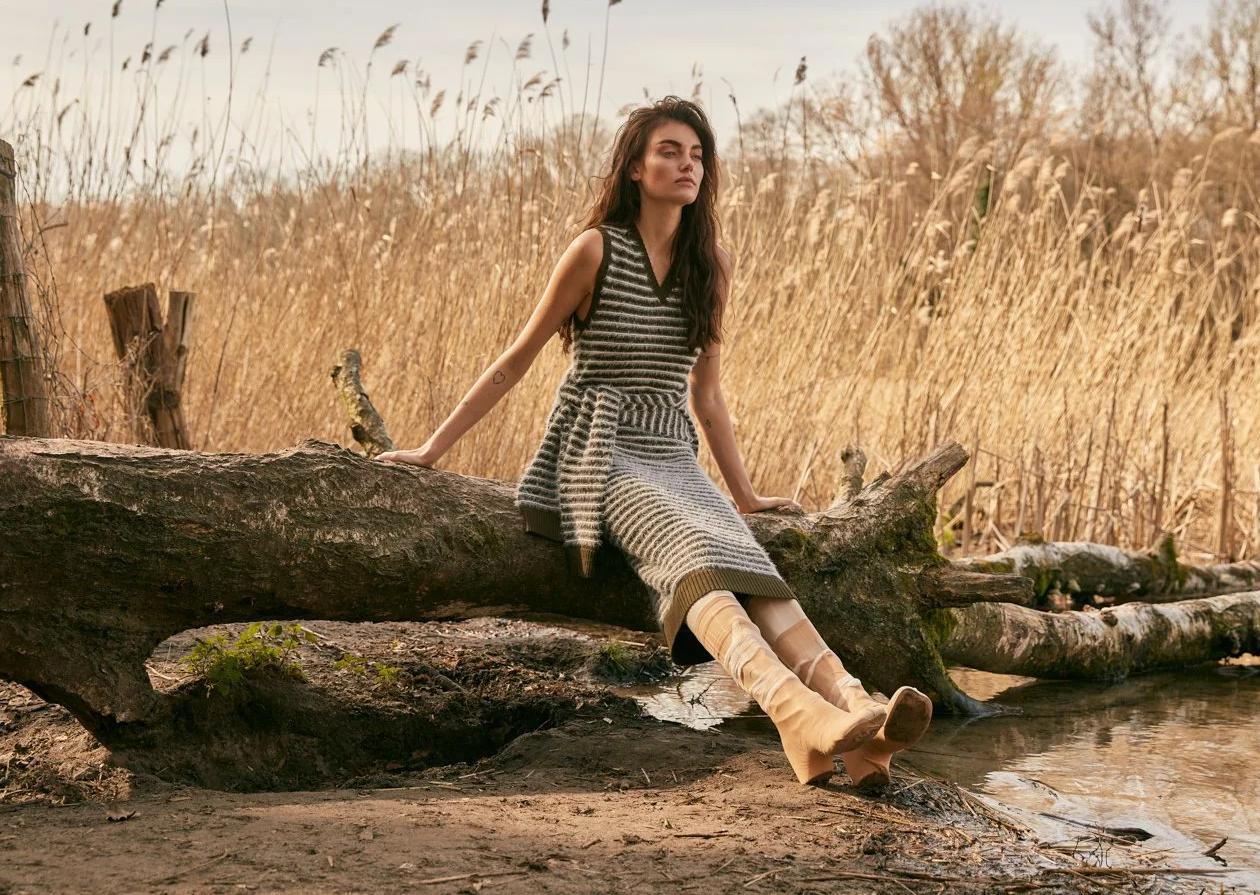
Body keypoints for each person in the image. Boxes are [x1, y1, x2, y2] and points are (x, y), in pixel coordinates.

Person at [375, 96, 932, 786]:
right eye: (670, 150)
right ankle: (799, 716)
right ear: (635, 167)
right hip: (595, 450)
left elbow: (707, 397)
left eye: (697, 155)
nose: (686, 164)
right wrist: (432, 450)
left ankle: (856, 717)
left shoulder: (712, 266)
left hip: (671, 451)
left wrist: (748, 495)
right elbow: (514, 362)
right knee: (696, 553)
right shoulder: (595, 249)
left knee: (747, 560)